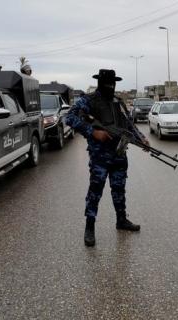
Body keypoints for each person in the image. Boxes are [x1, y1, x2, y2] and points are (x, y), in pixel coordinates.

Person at [66, 69, 148, 247]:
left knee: (119, 189)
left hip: (119, 154)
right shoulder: (88, 101)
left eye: (113, 83)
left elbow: (128, 124)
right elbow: (69, 118)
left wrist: (141, 138)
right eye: (108, 83)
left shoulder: (118, 102)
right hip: (100, 157)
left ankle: (121, 220)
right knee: (95, 192)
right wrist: (93, 132)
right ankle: (89, 228)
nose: (111, 86)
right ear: (100, 83)